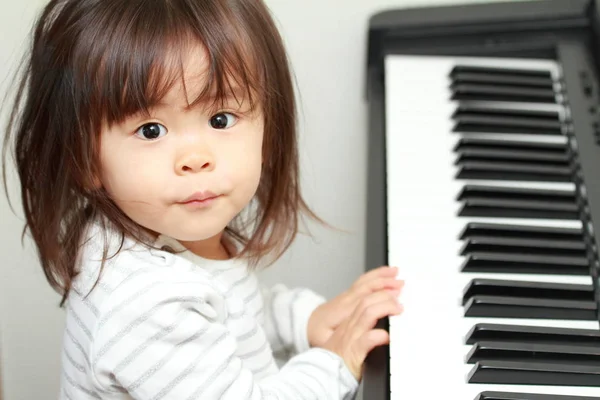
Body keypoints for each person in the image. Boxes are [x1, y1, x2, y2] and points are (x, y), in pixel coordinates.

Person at [1, 0, 405, 398]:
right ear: (84, 158)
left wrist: (306, 320)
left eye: (220, 119)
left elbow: (236, 308)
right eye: (151, 130)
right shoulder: (149, 304)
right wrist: (335, 363)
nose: (196, 158)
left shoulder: (163, 232)